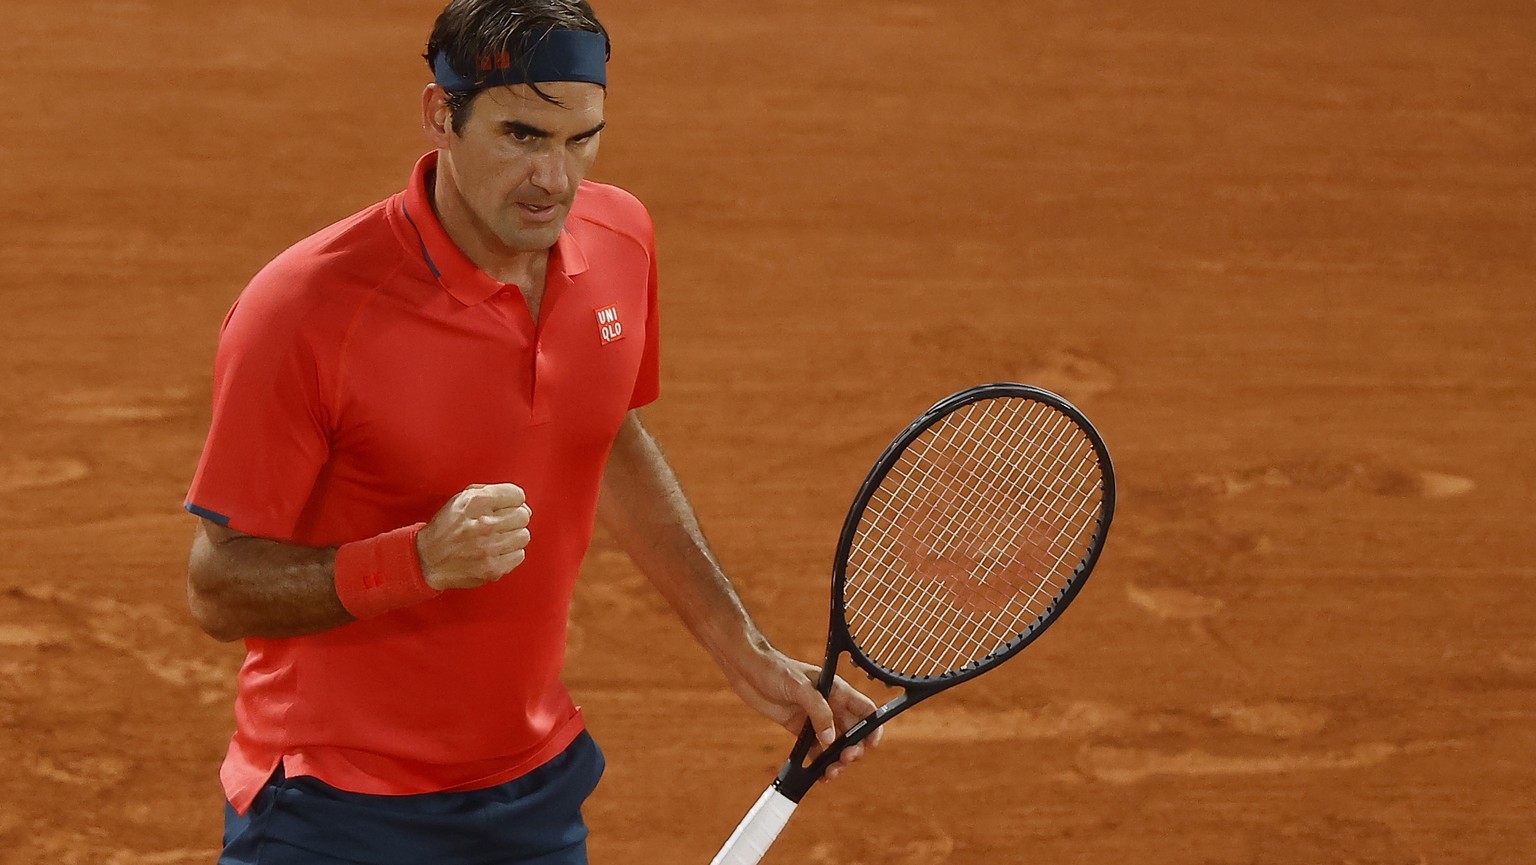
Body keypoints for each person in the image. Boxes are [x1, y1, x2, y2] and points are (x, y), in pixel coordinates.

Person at [182, 1, 880, 863]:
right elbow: (217, 583)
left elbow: (604, 436)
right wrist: (416, 560)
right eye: (521, 136)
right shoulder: (306, 312)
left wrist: (744, 650)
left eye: (581, 139)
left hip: (531, 791)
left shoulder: (621, 239)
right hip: (333, 804)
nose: (556, 178)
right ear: (442, 115)